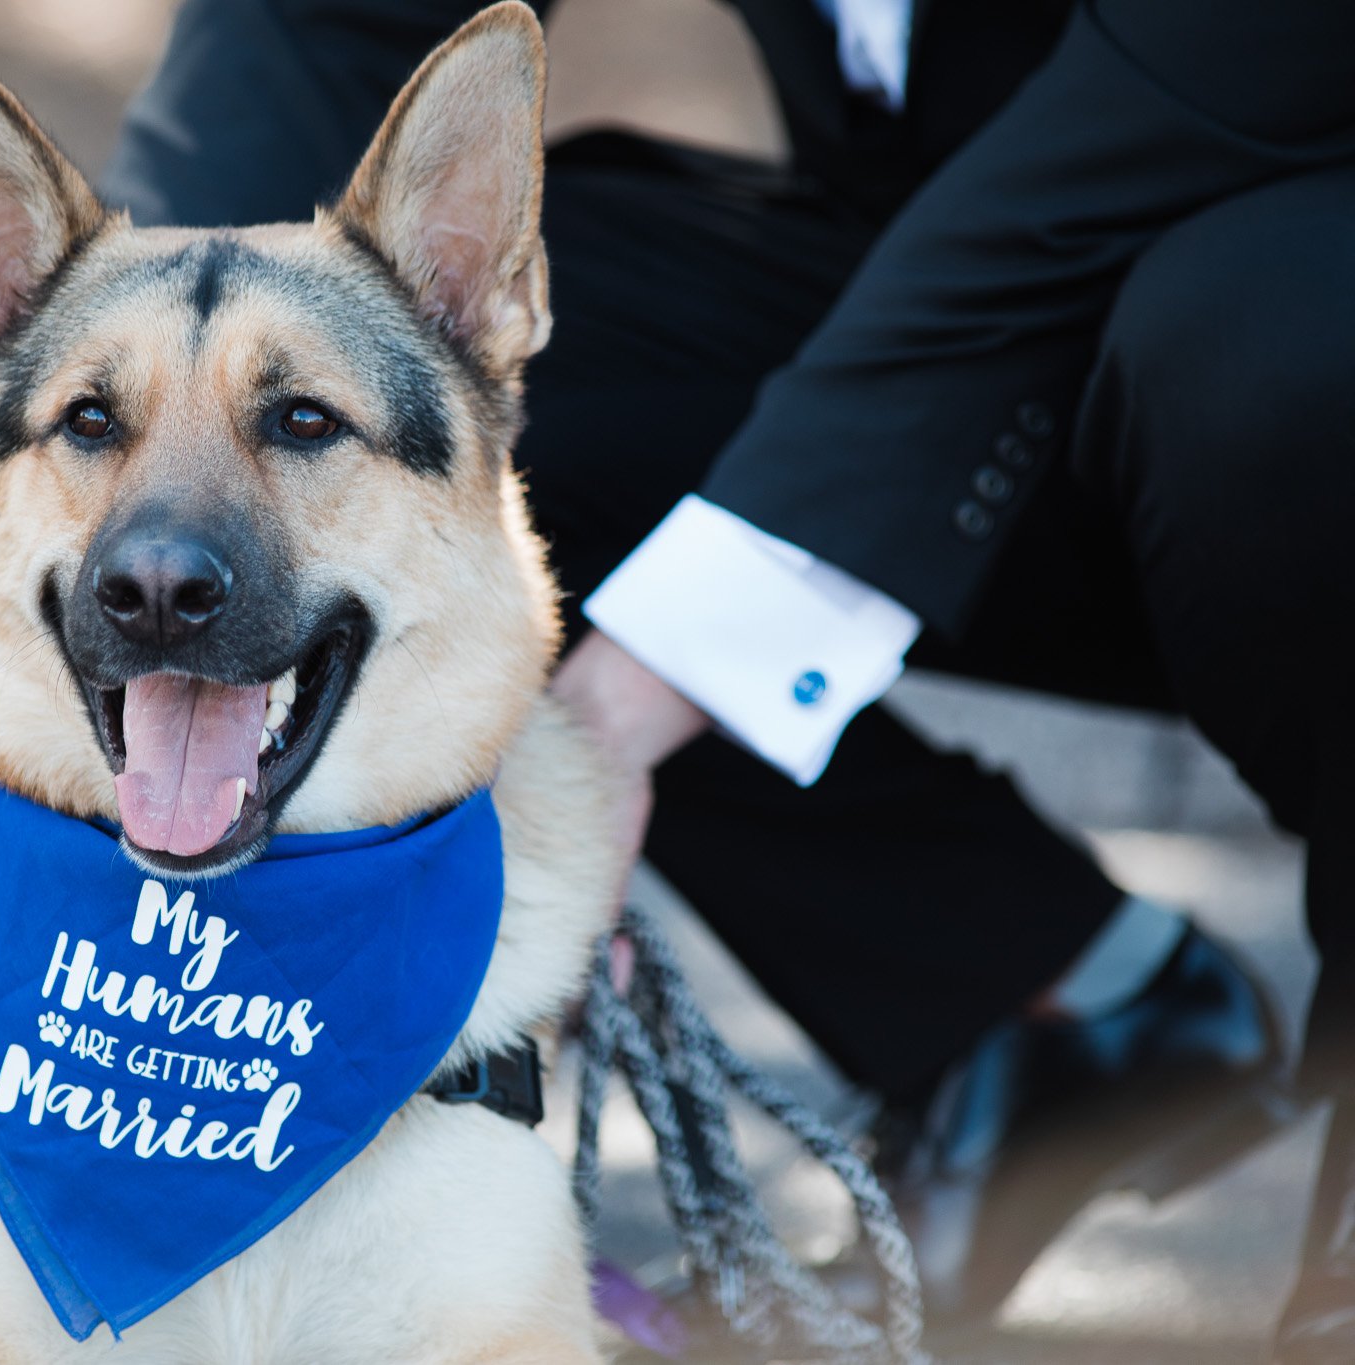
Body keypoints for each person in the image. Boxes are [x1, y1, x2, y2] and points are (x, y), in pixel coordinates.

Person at [100, 0, 1355, 1354]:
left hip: (1286, 326)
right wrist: (133, 459)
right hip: (977, 301)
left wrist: (613, 720)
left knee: (1279, 353)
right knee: (430, 365)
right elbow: (318, 25)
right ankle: (1036, 991)